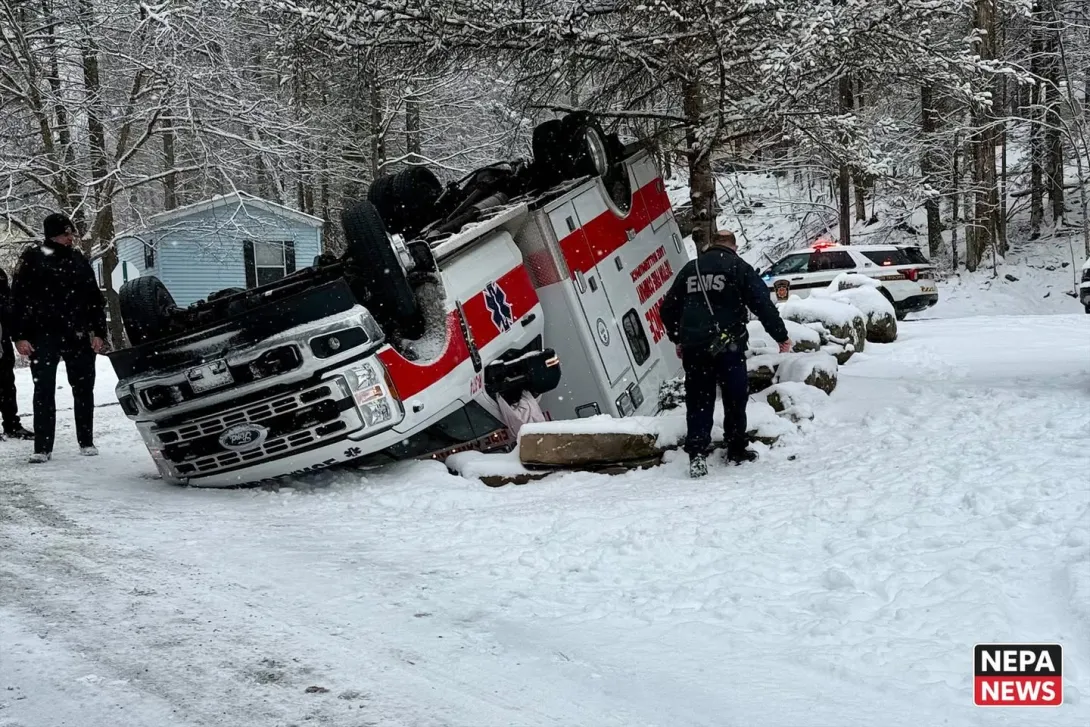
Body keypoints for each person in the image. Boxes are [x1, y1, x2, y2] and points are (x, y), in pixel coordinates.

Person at [660, 230, 792, 478]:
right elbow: (762, 304)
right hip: (728, 346)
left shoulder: (691, 269)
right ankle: (736, 448)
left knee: (699, 399)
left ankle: (697, 454)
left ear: (710, 245)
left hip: (695, 348)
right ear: (734, 247)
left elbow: (667, 308)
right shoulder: (738, 267)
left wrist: (679, 338)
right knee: (734, 397)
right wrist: (781, 336)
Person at [10, 213, 107, 463]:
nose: (70, 238)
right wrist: (19, 336)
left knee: (83, 387)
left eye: (71, 233)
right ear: (53, 235)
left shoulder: (78, 260)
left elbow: (94, 298)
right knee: (43, 389)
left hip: (77, 332)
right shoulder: (32, 259)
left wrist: (99, 332)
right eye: (65, 234)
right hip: (42, 334)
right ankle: (42, 447)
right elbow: (17, 300)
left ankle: (86, 440)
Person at [0, 266, 34, 440]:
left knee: (6, 383)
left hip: (1, 339)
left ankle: (11, 424)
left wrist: (16, 335)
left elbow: (9, 307)